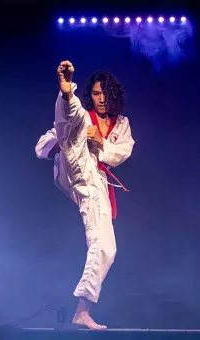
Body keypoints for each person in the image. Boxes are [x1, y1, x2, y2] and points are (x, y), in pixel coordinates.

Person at [35, 61, 135, 330]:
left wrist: (100, 142)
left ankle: (82, 309)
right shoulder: (86, 116)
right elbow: (41, 146)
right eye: (95, 93)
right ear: (89, 95)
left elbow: (123, 152)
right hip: (72, 164)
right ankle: (67, 92)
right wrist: (66, 137)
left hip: (93, 179)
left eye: (105, 94)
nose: (101, 99)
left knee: (106, 248)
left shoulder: (121, 124)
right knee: (76, 122)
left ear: (113, 94)